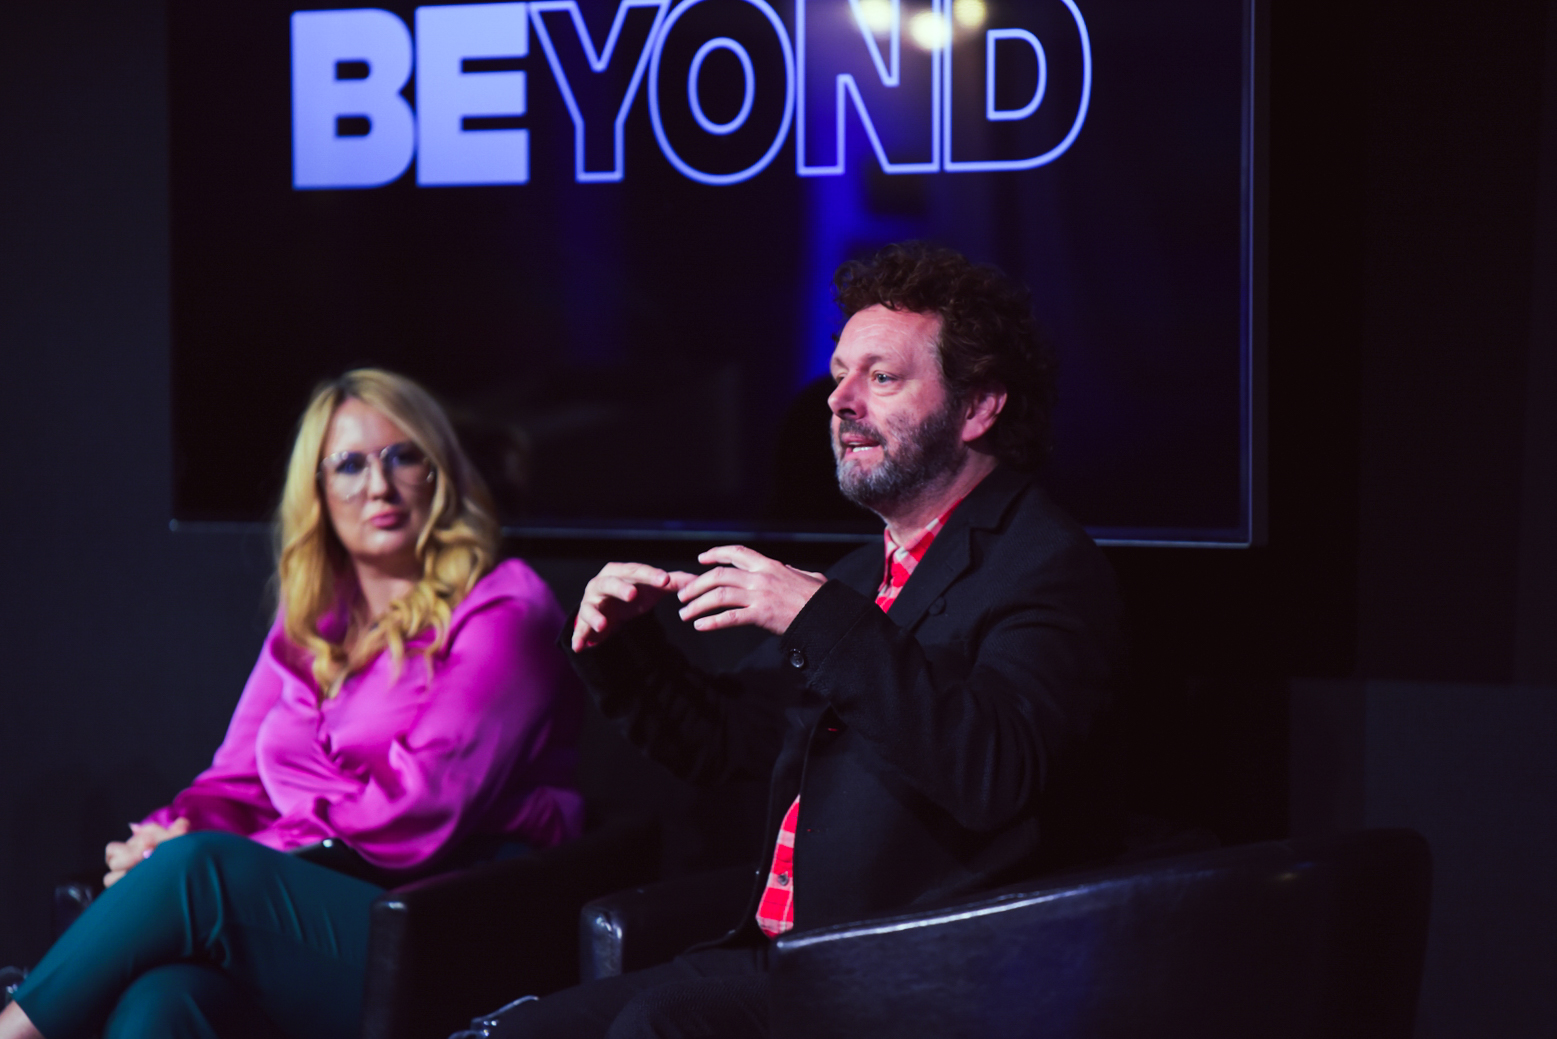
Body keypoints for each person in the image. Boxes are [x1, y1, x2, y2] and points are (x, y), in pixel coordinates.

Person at [487, 243, 1124, 1039]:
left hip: (910, 975)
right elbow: (726, 745)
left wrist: (820, 617)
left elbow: (992, 768)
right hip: (773, 957)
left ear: (978, 407)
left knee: (658, 1029)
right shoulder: (862, 572)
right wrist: (623, 646)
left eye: (881, 378)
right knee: (511, 1033)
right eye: (837, 376)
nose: (839, 401)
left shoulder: (1045, 563)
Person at [0, 369, 584, 1039]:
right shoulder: (312, 622)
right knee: (161, 999)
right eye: (349, 465)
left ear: (440, 470)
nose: (378, 486)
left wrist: (225, 849)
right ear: (317, 490)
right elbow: (236, 778)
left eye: (403, 456)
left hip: (446, 928)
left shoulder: (507, 610)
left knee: (200, 869)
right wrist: (171, 828)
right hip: (324, 913)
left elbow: (416, 810)